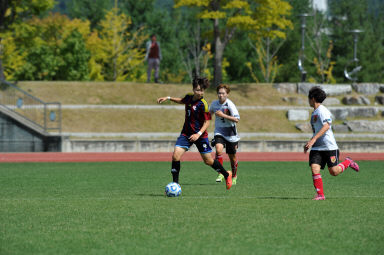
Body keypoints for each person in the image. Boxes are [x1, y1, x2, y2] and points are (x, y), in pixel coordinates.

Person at [157, 77, 233, 190]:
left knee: (208, 161)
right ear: (193, 89)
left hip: (201, 136)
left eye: (202, 90)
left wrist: (198, 134)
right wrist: (168, 98)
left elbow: (207, 121)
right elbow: (181, 100)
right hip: (186, 134)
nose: (200, 92)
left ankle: (227, 174)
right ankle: (175, 184)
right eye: (197, 90)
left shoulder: (203, 104)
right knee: (175, 156)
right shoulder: (188, 98)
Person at [304, 86, 360, 200]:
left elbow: (326, 126)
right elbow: (317, 130)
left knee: (334, 172)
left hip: (329, 146)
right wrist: (311, 141)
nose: (308, 100)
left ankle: (348, 162)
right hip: (316, 148)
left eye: (309, 98)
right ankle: (320, 194)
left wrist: (314, 139)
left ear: (313, 98)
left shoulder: (322, 111)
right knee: (314, 168)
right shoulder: (314, 113)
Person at [209, 84, 240, 184]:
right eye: (219, 93)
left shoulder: (230, 104)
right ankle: (221, 173)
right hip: (219, 132)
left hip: (231, 133)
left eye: (223, 93)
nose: (220, 95)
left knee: (232, 158)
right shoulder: (214, 104)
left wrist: (223, 115)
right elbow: (208, 115)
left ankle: (234, 176)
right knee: (218, 150)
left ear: (227, 94)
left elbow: (236, 119)